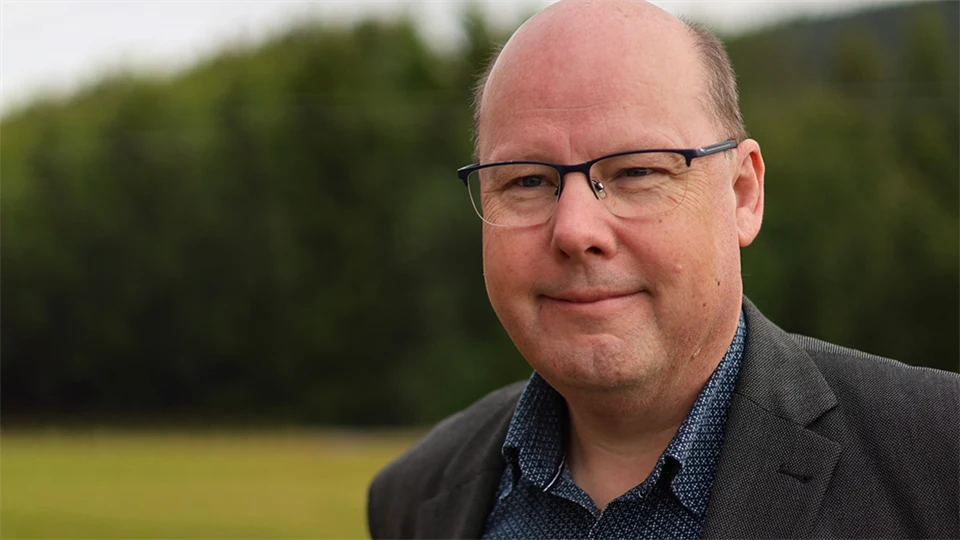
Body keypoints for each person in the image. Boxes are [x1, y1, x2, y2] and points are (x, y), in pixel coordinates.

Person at [367, 1, 960, 538]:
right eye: (527, 180)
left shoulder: (940, 459)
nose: (576, 231)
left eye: (637, 172)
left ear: (743, 193)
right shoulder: (415, 498)